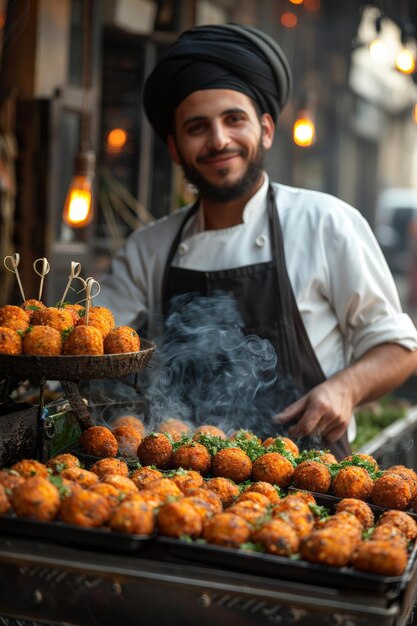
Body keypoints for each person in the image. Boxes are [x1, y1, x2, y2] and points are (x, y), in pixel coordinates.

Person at [95, 23, 417, 459]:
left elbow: (400, 347)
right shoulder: (149, 248)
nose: (219, 140)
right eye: (197, 127)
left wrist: (345, 389)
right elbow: (92, 340)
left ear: (265, 129)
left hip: (309, 479)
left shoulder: (326, 223)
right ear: (175, 149)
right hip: (179, 479)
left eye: (234, 119)